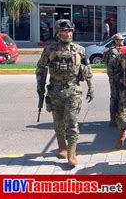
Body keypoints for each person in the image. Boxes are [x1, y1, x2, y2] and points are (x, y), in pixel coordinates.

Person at [36, 19, 94, 167]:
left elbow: (87, 71)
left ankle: (71, 153)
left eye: (69, 31)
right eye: (63, 31)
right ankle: (62, 146)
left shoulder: (79, 50)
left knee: (72, 122)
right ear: (57, 33)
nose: (66, 33)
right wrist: (40, 88)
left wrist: (90, 87)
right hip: (55, 90)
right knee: (58, 122)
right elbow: (41, 69)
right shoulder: (50, 50)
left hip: (73, 90)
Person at [103, 33, 125, 127]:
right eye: (121, 40)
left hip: (115, 76)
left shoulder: (114, 50)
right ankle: (113, 119)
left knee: (116, 97)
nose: (122, 41)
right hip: (115, 77)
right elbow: (114, 64)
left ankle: (115, 118)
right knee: (115, 97)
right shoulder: (114, 51)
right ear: (116, 41)